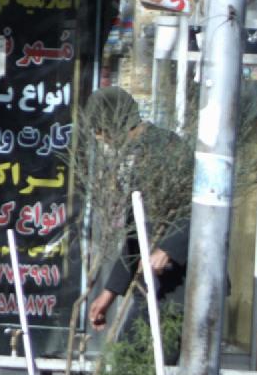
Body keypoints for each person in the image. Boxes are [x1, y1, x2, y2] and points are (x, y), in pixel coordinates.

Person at [79, 87, 192, 334]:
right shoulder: (138, 155)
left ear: (112, 125)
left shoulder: (167, 149)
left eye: (99, 130)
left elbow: (196, 207)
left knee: (140, 353)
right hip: (153, 284)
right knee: (130, 350)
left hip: (185, 287)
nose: (99, 138)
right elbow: (136, 232)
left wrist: (168, 249)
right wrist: (109, 294)